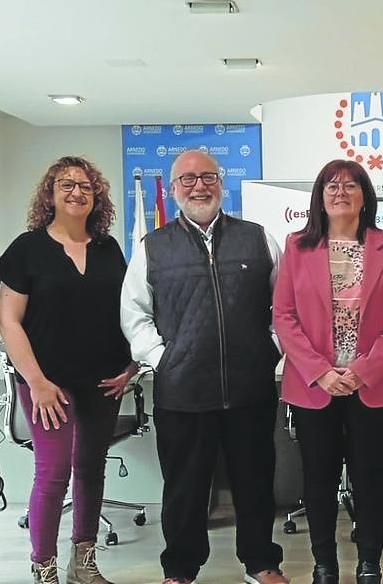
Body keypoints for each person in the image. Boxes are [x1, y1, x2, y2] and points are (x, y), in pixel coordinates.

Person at [120, 149, 289, 584]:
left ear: (221, 184)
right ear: (174, 189)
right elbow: (134, 314)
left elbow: (284, 306)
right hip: (183, 391)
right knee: (184, 490)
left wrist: (269, 348)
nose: (200, 185)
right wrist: (164, 359)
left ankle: (261, 564)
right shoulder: (152, 247)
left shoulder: (258, 238)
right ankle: (180, 569)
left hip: (249, 388)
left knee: (255, 483)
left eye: (208, 177)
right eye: (188, 179)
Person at [0, 156, 136, 584]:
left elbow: (127, 312)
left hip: (103, 380)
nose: (77, 192)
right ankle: (44, 569)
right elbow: (8, 321)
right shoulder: (28, 248)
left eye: (86, 186)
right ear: (50, 194)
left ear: (97, 197)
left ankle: (83, 564)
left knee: (91, 468)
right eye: (66, 184)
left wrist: (131, 366)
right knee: (53, 471)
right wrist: (35, 382)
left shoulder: (108, 248)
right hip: (47, 383)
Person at [273, 160, 383, 584]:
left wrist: (363, 370)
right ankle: (324, 564)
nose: (341, 192)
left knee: (371, 476)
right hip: (315, 386)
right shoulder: (297, 246)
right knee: (318, 477)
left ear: (365, 196)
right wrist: (320, 371)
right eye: (332, 185)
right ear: (319, 196)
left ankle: (369, 562)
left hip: (371, 384)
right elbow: (284, 315)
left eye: (351, 185)